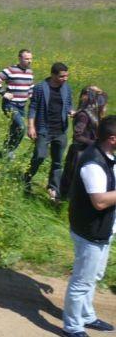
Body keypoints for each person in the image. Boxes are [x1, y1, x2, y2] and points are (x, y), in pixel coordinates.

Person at [62, 115, 116, 337]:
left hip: (104, 228)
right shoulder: (93, 163)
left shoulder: (108, 154)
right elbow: (100, 201)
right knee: (82, 281)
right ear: (112, 139)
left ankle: (86, 315)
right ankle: (72, 327)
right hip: (90, 231)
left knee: (94, 276)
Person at [25, 62, 74, 199]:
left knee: (58, 161)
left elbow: (69, 104)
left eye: (67, 76)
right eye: (62, 76)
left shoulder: (67, 88)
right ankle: (27, 177)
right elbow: (33, 107)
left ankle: (53, 188)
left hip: (60, 130)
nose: (65, 78)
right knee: (39, 156)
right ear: (53, 75)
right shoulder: (40, 88)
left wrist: (70, 111)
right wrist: (31, 126)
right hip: (44, 129)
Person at [60, 87, 108, 200]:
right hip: (79, 152)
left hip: (88, 151)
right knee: (73, 180)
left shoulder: (95, 115)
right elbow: (77, 136)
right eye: (104, 105)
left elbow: (103, 95)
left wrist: (99, 90)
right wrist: (96, 143)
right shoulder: (84, 115)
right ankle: (63, 203)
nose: (106, 108)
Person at [0, 49, 34, 159]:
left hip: (22, 106)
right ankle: (10, 151)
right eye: (26, 59)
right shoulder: (11, 70)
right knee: (21, 127)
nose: (29, 61)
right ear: (19, 58)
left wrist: (31, 95)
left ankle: (6, 150)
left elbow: (30, 87)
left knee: (14, 129)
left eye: (30, 59)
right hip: (10, 104)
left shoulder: (29, 72)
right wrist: (3, 93)